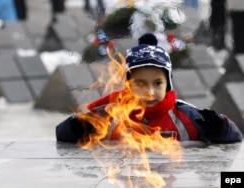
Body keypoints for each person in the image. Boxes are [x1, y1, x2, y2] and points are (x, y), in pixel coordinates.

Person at [56, 33, 243, 144]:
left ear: (168, 83)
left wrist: (220, 128)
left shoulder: (185, 115)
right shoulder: (112, 113)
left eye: (158, 83)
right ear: (128, 84)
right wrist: (77, 127)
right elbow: (62, 135)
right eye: (140, 84)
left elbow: (235, 138)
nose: (150, 92)